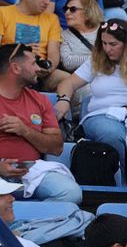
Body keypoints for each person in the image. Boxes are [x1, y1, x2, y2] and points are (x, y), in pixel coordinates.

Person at [0, 41, 79, 203]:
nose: (38, 68)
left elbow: (56, 147)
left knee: (70, 193)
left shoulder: (40, 100)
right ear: (15, 68)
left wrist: (25, 130)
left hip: (30, 172)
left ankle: (25, 220)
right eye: (33, 63)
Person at [61, 18, 127, 174]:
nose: (107, 49)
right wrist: (63, 100)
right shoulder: (96, 61)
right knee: (113, 134)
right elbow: (68, 83)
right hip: (101, 115)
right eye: (103, 43)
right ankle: (124, 182)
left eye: (113, 44)